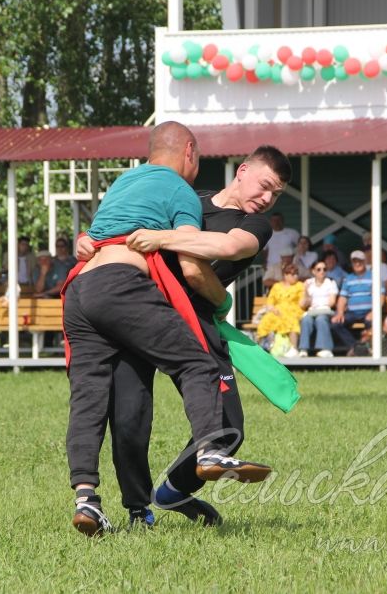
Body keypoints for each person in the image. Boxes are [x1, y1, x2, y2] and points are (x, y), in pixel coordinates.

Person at [62, 122, 271, 535]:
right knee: (197, 364)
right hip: (125, 291)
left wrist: (81, 241)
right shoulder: (180, 191)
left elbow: (91, 239)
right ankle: (210, 450)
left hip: (79, 290)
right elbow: (193, 265)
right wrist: (222, 300)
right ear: (189, 151)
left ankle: (91, 501)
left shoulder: (124, 182)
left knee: (97, 400)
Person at [107, 144, 291, 528]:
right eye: (265, 185)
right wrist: (88, 240)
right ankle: (137, 509)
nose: (267, 198)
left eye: (276, 193)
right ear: (242, 170)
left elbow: (224, 246)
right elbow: (129, 224)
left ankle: (173, 493)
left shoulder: (255, 225)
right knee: (129, 418)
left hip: (197, 320)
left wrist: (162, 239)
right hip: (143, 311)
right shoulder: (191, 198)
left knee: (228, 429)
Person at [331, 250, 383, 355]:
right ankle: (356, 347)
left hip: (368, 311)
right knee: (336, 323)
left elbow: (381, 295)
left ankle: (360, 348)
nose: (357, 264)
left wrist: (375, 312)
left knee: (374, 323)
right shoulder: (348, 278)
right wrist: (340, 313)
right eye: (355, 262)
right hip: (352, 312)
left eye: (360, 261)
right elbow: (342, 298)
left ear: (365, 262)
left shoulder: (373, 276)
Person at [256, 263, 305, 357]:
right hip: (277, 311)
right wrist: (273, 309)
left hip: (293, 310)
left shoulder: (300, 285)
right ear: (285, 275)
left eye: (296, 274)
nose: (296, 276)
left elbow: (301, 303)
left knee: (292, 321)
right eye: (293, 274)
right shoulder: (276, 286)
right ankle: (260, 347)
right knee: (266, 320)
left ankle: (293, 348)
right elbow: (270, 302)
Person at [297, 259, 338, 358]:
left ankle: (325, 349)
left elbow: (332, 302)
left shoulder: (331, 282)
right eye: (319, 269)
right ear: (313, 271)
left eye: (324, 269)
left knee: (321, 319)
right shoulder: (308, 283)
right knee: (306, 320)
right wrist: (306, 291)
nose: (322, 271)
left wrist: (317, 304)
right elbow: (303, 304)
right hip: (312, 311)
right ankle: (303, 349)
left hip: (325, 311)